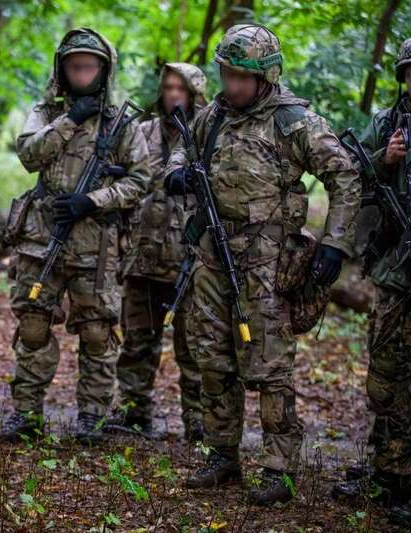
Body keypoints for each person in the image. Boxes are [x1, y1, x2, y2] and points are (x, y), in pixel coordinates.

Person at [166, 24, 360, 505]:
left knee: (269, 363)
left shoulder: (294, 121)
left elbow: (345, 175)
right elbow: (181, 148)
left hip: (269, 258)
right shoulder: (213, 115)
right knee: (211, 356)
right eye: (226, 74)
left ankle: (279, 468)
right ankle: (222, 454)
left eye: (241, 77)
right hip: (213, 251)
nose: (231, 85)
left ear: (266, 76)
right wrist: (177, 174)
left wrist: (335, 243)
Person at [0, 28, 150, 443]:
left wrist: (93, 201)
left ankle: (91, 419)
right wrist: (71, 118)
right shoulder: (46, 113)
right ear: (62, 70)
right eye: (74, 66)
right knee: (33, 326)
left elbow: (141, 181)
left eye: (89, 66)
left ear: (103, 70)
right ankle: (27, 414)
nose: (82, 73)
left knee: (98, 332)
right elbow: (29, 155)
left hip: (95, 243)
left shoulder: (121, 123)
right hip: (40, 238)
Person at [332, 35, 411, 529]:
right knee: (385, 374)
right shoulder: (388, 123)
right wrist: (385, 161)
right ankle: (390, 473)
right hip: (397, 268)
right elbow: (347, 172)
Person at [107, 62, 207, 441]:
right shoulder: (142, 132)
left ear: (194, 94)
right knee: (137, 340)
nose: (173, 95)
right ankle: (134, 413)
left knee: (194, 346)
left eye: (181, 89)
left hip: (192, 259)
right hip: (143, 254)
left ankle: (198, 422)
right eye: (168, 88)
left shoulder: (207, 135)